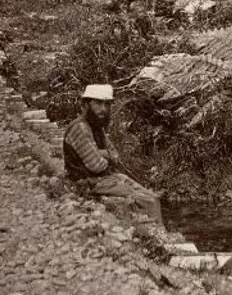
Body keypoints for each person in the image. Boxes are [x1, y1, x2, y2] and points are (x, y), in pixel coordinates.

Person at [63, 84, 163, 224]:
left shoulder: (96, 126)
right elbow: (97, 166)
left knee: (152, 197)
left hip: (103, 178)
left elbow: (115, 157)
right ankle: (157, 239)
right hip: (87, 182)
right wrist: (105, 154)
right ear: (86, 104)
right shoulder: (80, 128)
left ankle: (159, 235)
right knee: (148, 201)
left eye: (107, 104)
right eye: (98, 103)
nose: (103, 109)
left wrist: (102, 153)